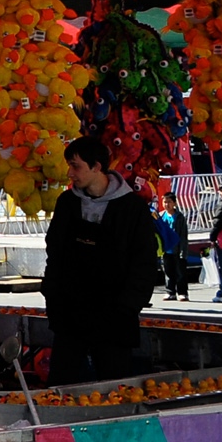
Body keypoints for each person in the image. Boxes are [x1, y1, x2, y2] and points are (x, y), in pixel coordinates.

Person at [42, 136, 159, 384]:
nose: (70, 173)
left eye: (76, 166)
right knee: (61, 385)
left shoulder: (132, 209)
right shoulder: (67, 203)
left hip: (114, 318)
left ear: (96, 166)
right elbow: (54, 253)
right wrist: (53, 297)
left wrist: (127, 306)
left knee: (114, 388)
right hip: (70, 316)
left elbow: (144, 263)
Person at [156, 195, 191, 301]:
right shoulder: (160, 216)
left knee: (180, 272)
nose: (167, 205)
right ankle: (170, 292)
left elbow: (183, 236)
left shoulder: (180, 217)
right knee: (168, 271)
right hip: (166, 249)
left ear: (175, 203)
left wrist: (182, 251)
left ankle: (182, 292)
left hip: (178, 248)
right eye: (165, 202)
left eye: (169, 202)